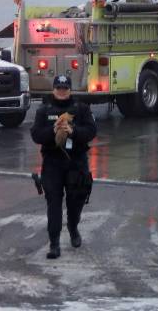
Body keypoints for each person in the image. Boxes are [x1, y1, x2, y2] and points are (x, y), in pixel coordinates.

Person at [30, 74, 97, 260]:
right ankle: (54, 243)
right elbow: (36, 134)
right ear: (53, 89)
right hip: (53, 162)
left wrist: (73, 132)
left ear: (70, 90)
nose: (61, 91)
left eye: (65, 88)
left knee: (76, 200)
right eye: (58, 88)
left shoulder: (81, 109)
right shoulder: (44, 110)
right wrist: (53, 132)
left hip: (76, 161)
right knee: (53, 203)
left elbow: (91, 131)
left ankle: (73, 227)